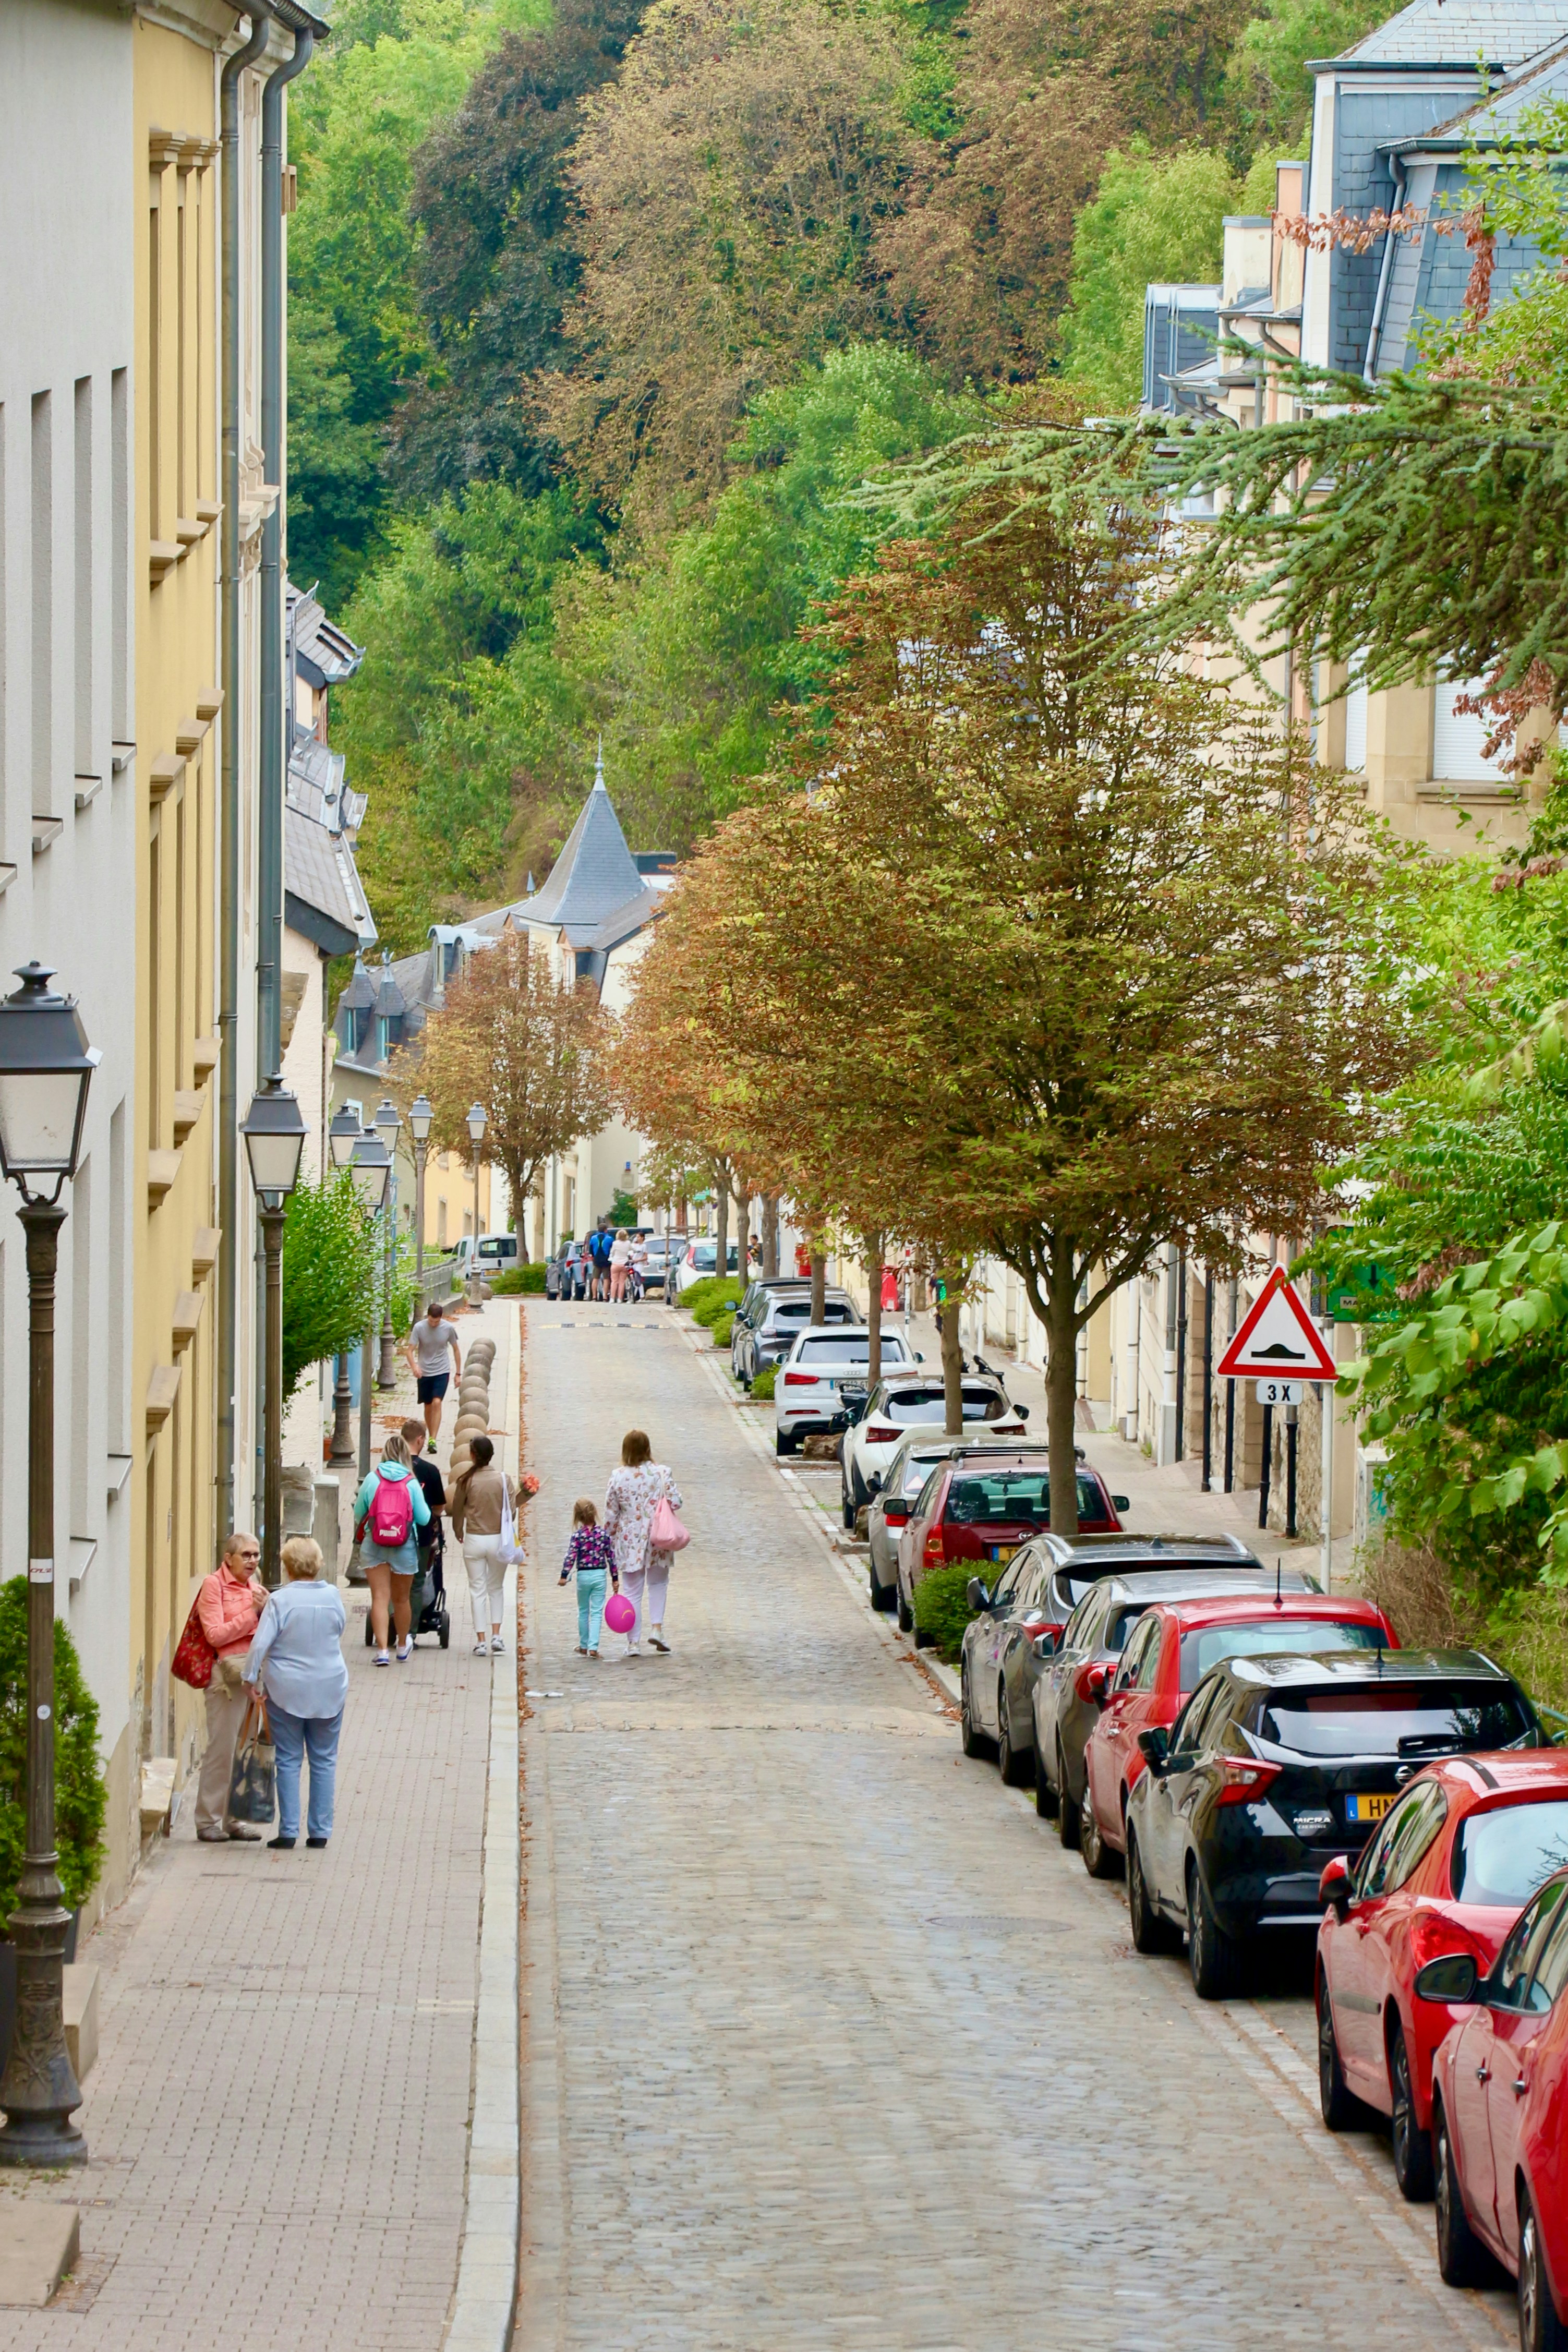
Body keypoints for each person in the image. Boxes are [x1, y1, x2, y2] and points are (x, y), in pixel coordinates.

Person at [244, 1536, 348, 1850]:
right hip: (330, 1685)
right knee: (325, 1759)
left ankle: (288, 1831)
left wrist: (250, 1679)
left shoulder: (280, 1601)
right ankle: (320, 1832)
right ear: (317, 1565)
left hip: (286, 1689)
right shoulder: (333, 1596)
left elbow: (260, 1644)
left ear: (287, 1568)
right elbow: (339, 1629)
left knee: (288, 1759)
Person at [194, 1530, 268, 1842]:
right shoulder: (214, 1586)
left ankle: (233, 1818)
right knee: (222, 1750)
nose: (252, 1561)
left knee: (244, 1750)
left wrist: (267, 1611)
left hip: (253, 1677)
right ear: (229, 1558)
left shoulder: (256, 1586)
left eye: (256, 1554)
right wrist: (253, 1614)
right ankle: (207, 1820)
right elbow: (215, 1634)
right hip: (225, 1679)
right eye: (246, 1555)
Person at [602, 1429, 683, 1658]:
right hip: (659, 1535)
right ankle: (657, 1629)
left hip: (629, 1539)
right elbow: (677, 1503)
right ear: (648, 1448)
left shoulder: (617, 1476)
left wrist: (610, 1539)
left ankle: (633, 1643)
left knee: (632, 1591)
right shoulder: (662, 1473)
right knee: (658, 1584)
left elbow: (611, 1514)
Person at [355, 1430, 430, 1665]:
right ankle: (401, 1646)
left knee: (379, 1597)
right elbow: (425, 1518)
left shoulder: (371, 1479)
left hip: (374, 1543)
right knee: (401, 1599)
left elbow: (359, 1513)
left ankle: (381, 1652)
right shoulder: (411, 1482)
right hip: (404, 1544)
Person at [450, 1433, 517, 1656]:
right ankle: (497, 1635)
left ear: (472, 1456)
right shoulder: (503, 1479)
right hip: (499, 1539)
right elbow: (513, 1512)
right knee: (496, 1588)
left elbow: (457, 1509)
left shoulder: (466, 1480)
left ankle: (481, 1640)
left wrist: (458, 1530)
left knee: (476, 1590)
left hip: (474, 1539)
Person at [559, 1498, 619, 1657]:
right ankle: (593, 1647)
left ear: (578, 1517)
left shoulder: (578, 1536)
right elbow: (611, 1557)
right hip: (600, 1575)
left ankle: (583, 1645)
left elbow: (571, 1556)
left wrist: (564, 1575)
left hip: (583, 1575)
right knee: (597, 1612)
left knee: (583, 1611)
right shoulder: (603, 1535)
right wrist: (615, 1578)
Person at [402, 1299, 462, 1450]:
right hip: (424, 1372)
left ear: (441, 1318)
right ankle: (430, 1435)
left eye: (436, 1321)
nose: (434, 1324)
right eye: (431, 1321)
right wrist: (414, 1366)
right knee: (428, 1406)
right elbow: (409, 1350)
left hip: (442, 1370)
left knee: (437, 1402)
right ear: (427, 1317)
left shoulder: (448, 1328)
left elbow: (456, 1349)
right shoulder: (419, 1328)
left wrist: (458, 1373)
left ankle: (433, 1440)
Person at [404, 1416, 446, 1627]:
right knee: (416, 1582)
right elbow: (439, 1507)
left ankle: (392, 1623)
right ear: (420, 1440)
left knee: (394, 1583)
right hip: (421, 1535)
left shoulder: (386, 1469)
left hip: (389, 1534)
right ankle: (410, 1631)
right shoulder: (430, 1471)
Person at [608, 1227, 633, 1303]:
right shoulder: (628, 1243)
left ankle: (612, 1298)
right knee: (622, 1282)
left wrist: (611, 1258)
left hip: (615, 1263)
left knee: (614, 1281)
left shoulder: (615, 1243)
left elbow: (612, 1252)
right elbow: (631, 1251)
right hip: (624, 1264)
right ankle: (620, 1299)